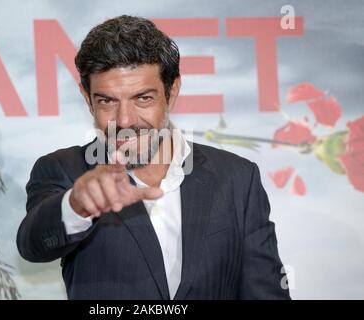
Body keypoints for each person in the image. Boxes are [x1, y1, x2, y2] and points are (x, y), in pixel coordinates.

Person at [17, 15, 290, 300]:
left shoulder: (237, 178)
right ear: (87, 98)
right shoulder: (63, 169)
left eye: (143, 98)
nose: (124, 120)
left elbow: (266, 292)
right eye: (107, 101)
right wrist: (77, 205)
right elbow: (33, 244)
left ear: (171, 93)